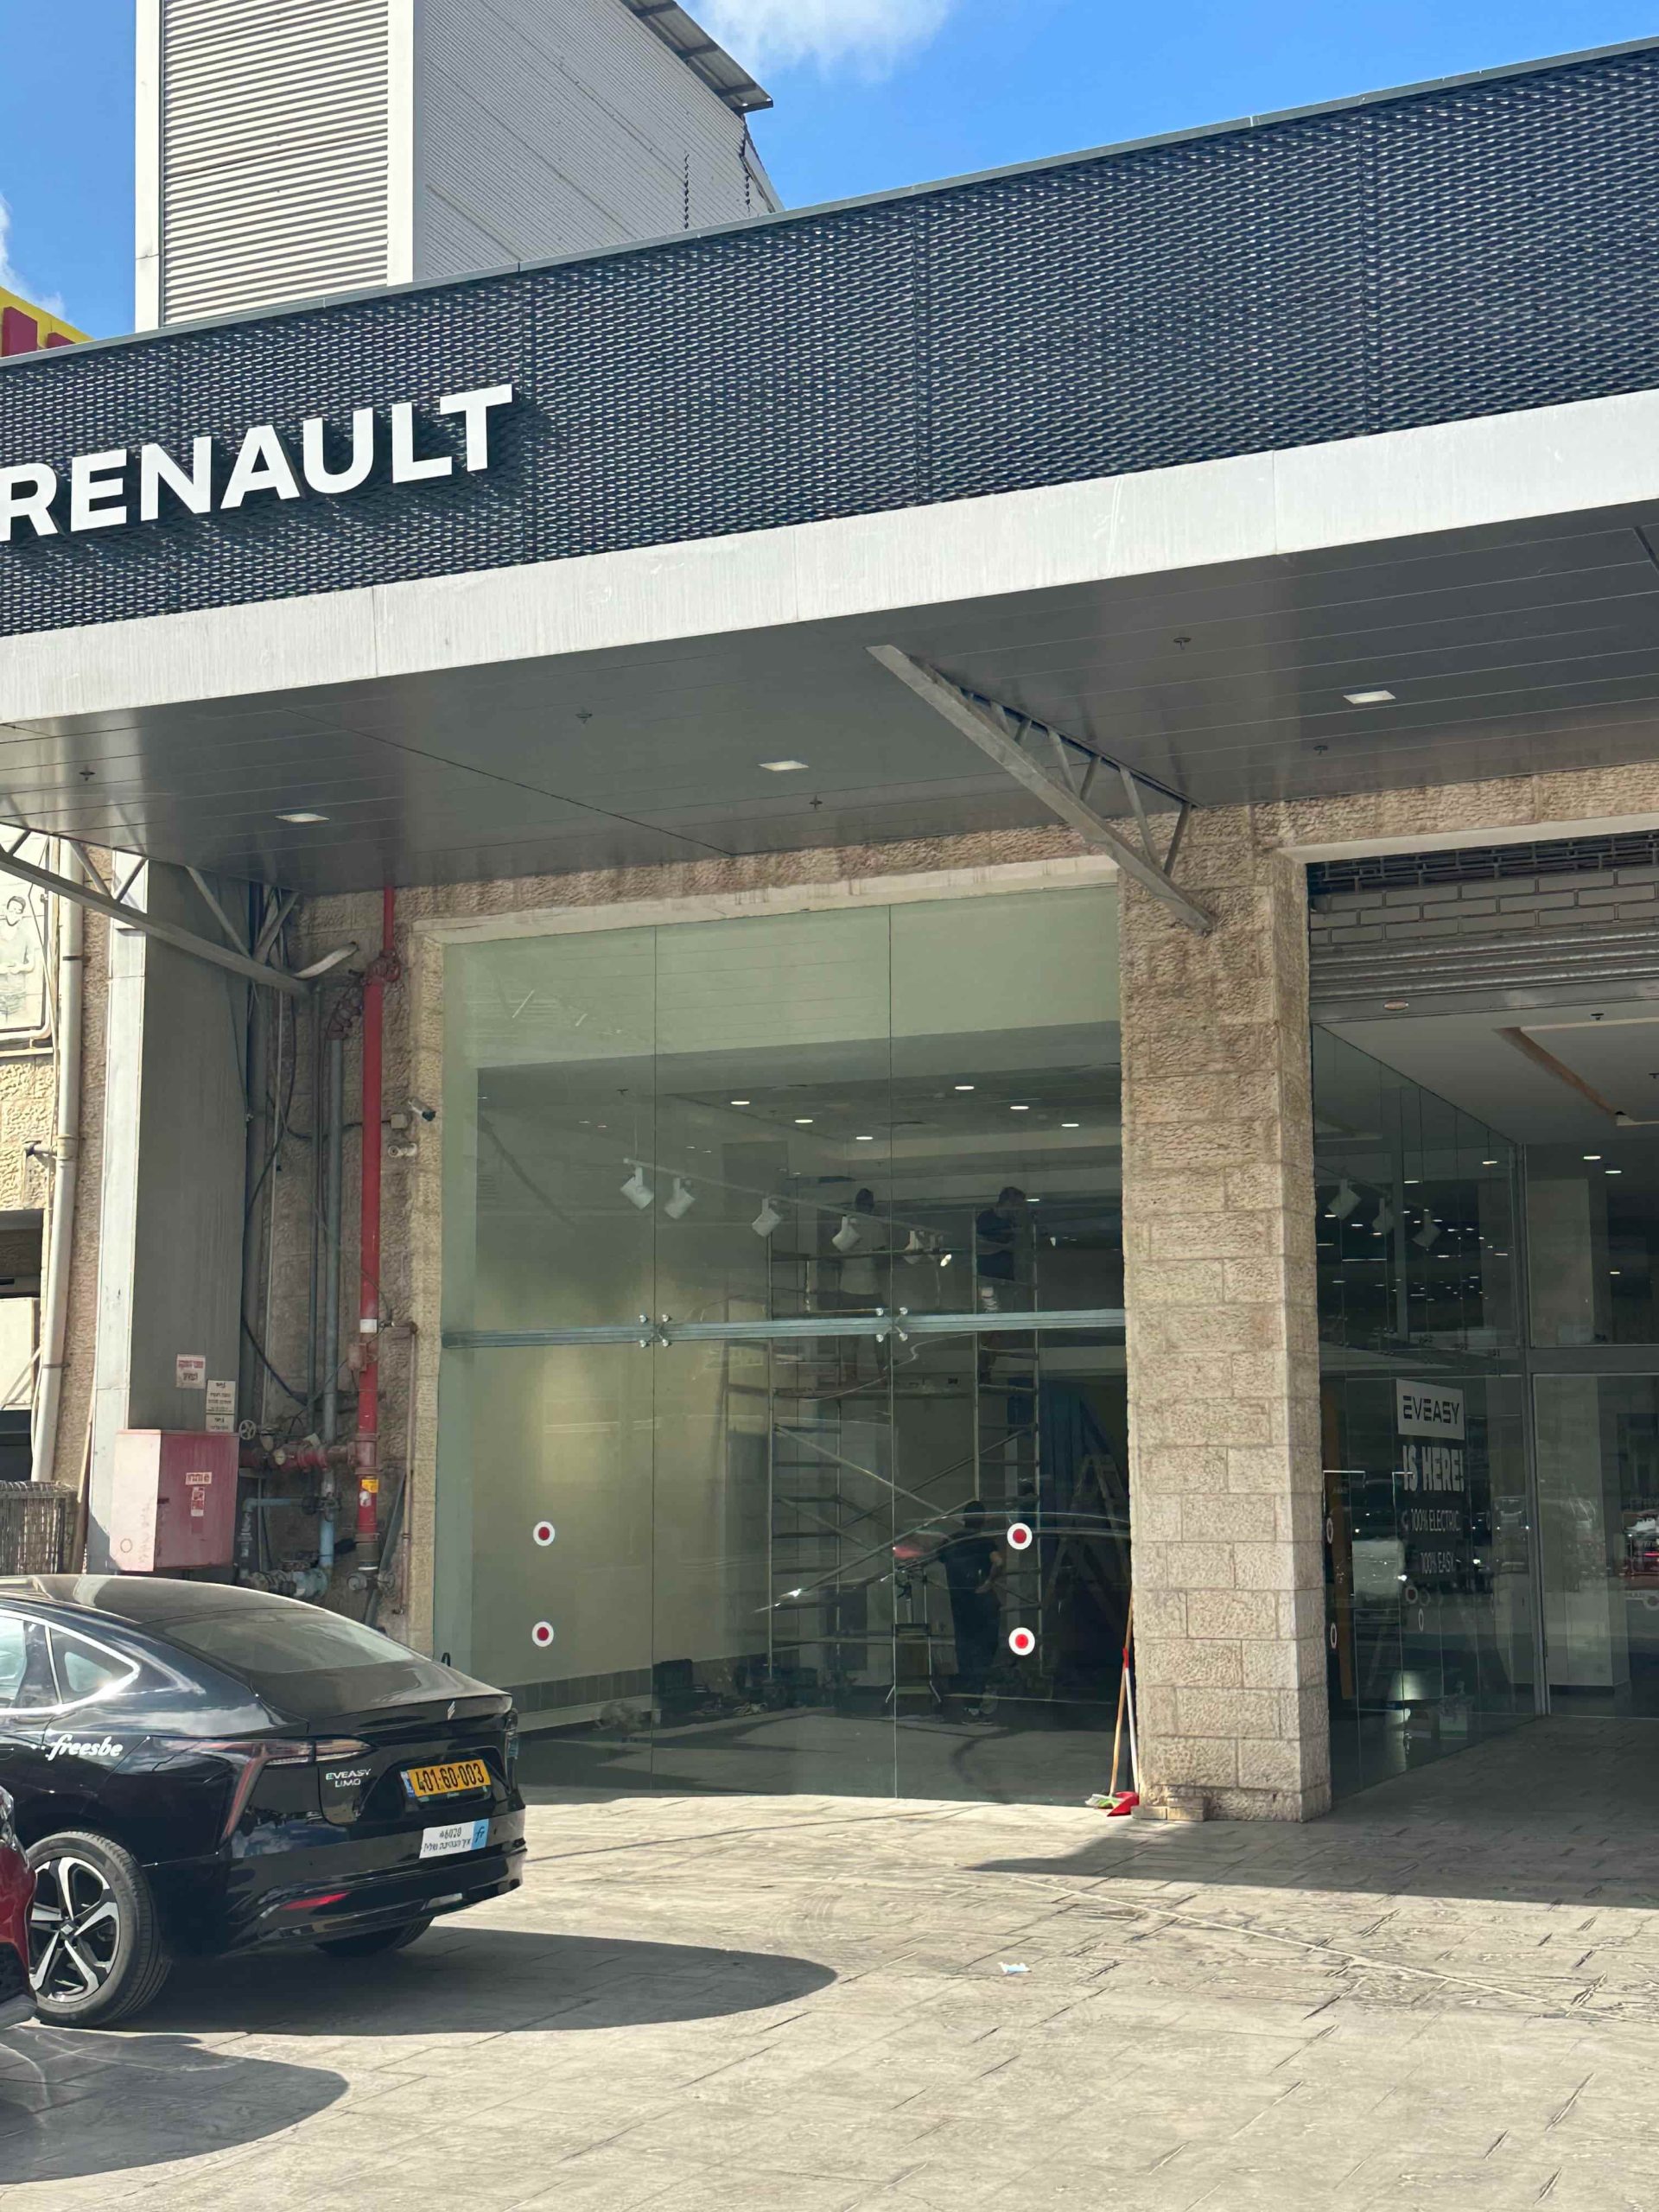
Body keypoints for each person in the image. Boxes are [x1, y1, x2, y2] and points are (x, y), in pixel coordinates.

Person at [939, 1500, 1004, 1719]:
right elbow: (999, 1562)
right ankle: (975, 1702)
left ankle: (971, 1704)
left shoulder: (950, 1542)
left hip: (961, 1605)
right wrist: (988, 1583)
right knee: (984, 1652)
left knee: (966, 1653)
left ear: (963, 1518)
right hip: (983, 1604)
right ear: (983, 1520)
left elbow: (936, 1556)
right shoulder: (985, 1542)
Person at [976, 1186, 1032, 1313]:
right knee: (990, 1309)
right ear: (1008, 1203)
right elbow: (978, 1244)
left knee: (1008, 1310)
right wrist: (1005, 1247)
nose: (1018, 1209)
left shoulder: (1012, 1221)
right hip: (986, 1273)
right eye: (1017, 1205)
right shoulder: (986, 1218)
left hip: (1008, 1275)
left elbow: (1020, 1245)